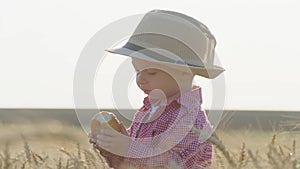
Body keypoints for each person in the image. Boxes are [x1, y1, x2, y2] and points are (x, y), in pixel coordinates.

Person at [89, 9, 225, 169]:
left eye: (151, 72)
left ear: (184, 73)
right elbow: (127, 164)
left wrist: (128, 148)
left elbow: (171, 164)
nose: (140, 79)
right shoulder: (148, 111)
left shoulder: (191, 120)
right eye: (137, 71)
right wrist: (111, 147)